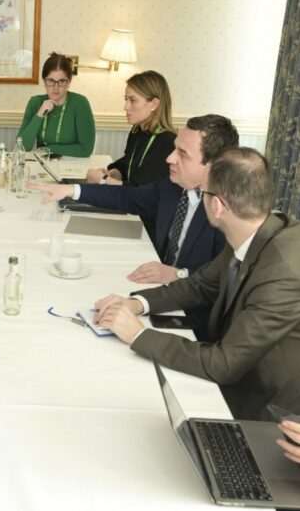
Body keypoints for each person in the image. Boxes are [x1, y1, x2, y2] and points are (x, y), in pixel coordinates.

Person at [94, 148, 300, 421]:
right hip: (239, 372)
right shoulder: (256, 230)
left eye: (203, 193)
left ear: (218, 206)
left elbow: (225, 364)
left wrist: (138, 335)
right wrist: (136, 303)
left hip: (267, 408)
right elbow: (200, 285)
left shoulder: (281, 273)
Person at [32, 115, 238, 285]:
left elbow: (228, 281)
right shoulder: (173, 187)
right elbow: (128, 197)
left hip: (191, 308)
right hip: (158, 285)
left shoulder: (230, 212)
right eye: (174, 149)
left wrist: (178, 274)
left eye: (182, 154)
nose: (169, 158)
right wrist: (71, 190)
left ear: (214, 164)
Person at [86, 70, 175, 187]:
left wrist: (104, 180)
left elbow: (141, 191)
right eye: (126, 100)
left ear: (154, 104)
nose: (126, 107)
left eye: (133, 100)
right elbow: (128, 164)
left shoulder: (168, 143)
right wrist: (113, 173)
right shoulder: (137, 131)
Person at [16, 52, 95, 157]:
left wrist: (49, 149)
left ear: (69, 82)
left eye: (61, 81)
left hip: (73, 164)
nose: (55, 87)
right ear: (44, 82)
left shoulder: (80, 103)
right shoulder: (35, 102)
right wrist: (40, 114)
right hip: (44, 163)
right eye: (50, 81)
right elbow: (22, 146)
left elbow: (86, 150)